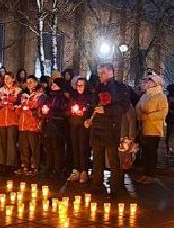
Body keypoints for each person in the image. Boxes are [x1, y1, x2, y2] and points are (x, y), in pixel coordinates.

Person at [88, 62, 133, 195]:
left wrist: (106, 110)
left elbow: (123, 107)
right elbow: (92, 104)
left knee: (113, 159)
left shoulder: (121, 88)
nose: (100, 75)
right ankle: (97, 185)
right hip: (97, 128)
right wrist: (89, 117)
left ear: (110, 72)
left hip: (111, 128)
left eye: (102, 72)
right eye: (99, 72)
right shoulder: (97, 87)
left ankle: (116, 186)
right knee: (97, 159)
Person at [135, 76, 168, 183]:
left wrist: (148, 116)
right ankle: (144, 173)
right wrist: (139, 115)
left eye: (150, 81)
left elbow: (163, 113)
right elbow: (138, 108)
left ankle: (151, 174)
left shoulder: (161, 97)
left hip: (154, 129)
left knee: (151, 152)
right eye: (147, 82)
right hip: (144, 128)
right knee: (144, 153)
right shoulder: (144, 96)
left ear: (156, 84)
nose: (147, 83)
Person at [66, 75, 93, 182]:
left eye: (82, 85)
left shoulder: (89, 97)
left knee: (83, 148)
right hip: (73, 125)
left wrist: (84, 113)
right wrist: (72, 111)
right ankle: (76, 170)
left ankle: (84, 171)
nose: (79, 87)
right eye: (78, 85)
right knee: (75, 148)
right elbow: (67, 111)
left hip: (84, 126)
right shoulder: (74, 97)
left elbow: (91, 111)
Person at [17, 77, 42, 174]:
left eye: (31, 82)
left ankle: (35, 166)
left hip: (33, 124)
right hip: (23, 124)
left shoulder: (39, 95)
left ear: (36, 83)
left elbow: (37, 108)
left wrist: (28, 105)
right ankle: (25, 165)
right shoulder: (23, 95)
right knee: (24, 147)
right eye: (27, 82)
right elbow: (20, 108)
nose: (29, 84)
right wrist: (19, 107)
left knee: (34, 147)